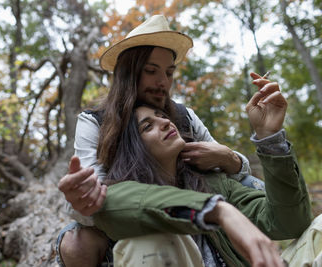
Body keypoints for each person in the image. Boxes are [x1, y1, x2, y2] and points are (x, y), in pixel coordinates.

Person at [56, 15, 262, 266]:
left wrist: (230, 158)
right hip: (123, 225)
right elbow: (94, 202)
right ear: (128, 73)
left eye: (169, 72)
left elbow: (234, 173)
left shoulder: (185, 117)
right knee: (75, 241)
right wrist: (82, 201)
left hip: (195, 215)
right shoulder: (94, 122)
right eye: (151, 71)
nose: (163, 82)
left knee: (254, 186)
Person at [92, 75, 321, 266]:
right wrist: (218, 211)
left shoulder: (214, 183)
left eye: (162, 116)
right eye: (147, 126)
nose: (164, 123)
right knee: (147, 241)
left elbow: (290, 222)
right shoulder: (116, 195)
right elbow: (120, 206)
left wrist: (269, 138)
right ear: (133, 149)